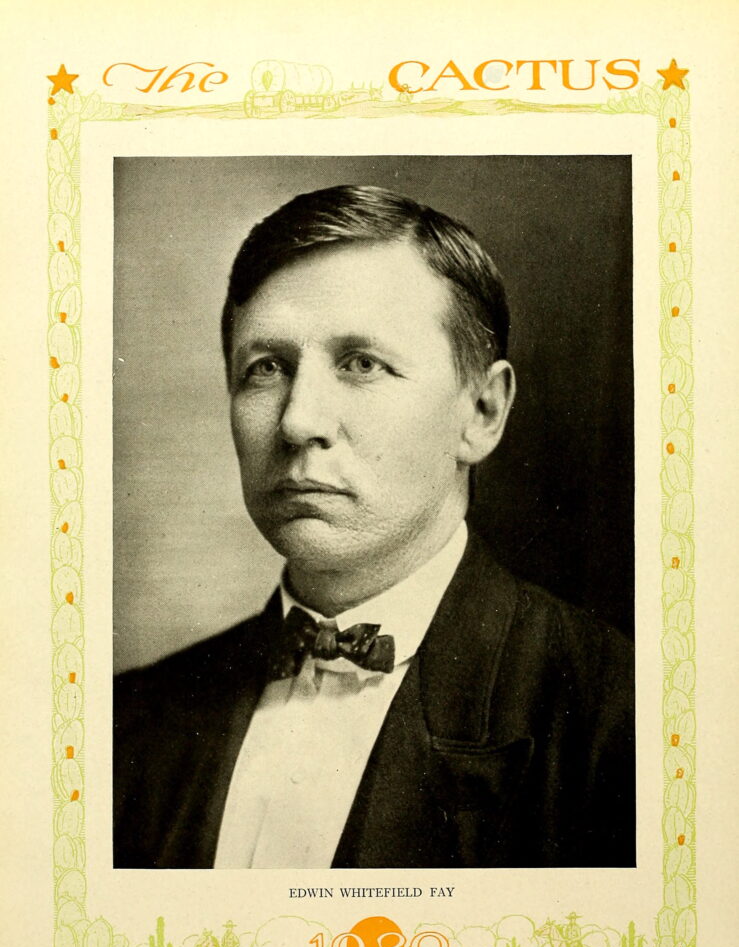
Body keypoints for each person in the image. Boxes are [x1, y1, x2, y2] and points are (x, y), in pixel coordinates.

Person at [114, 184, 634, 869]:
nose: (298, 421)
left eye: (362, 364)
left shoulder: (623, 721)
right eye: (265, 369)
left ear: (482, 412)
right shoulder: (127, 723)